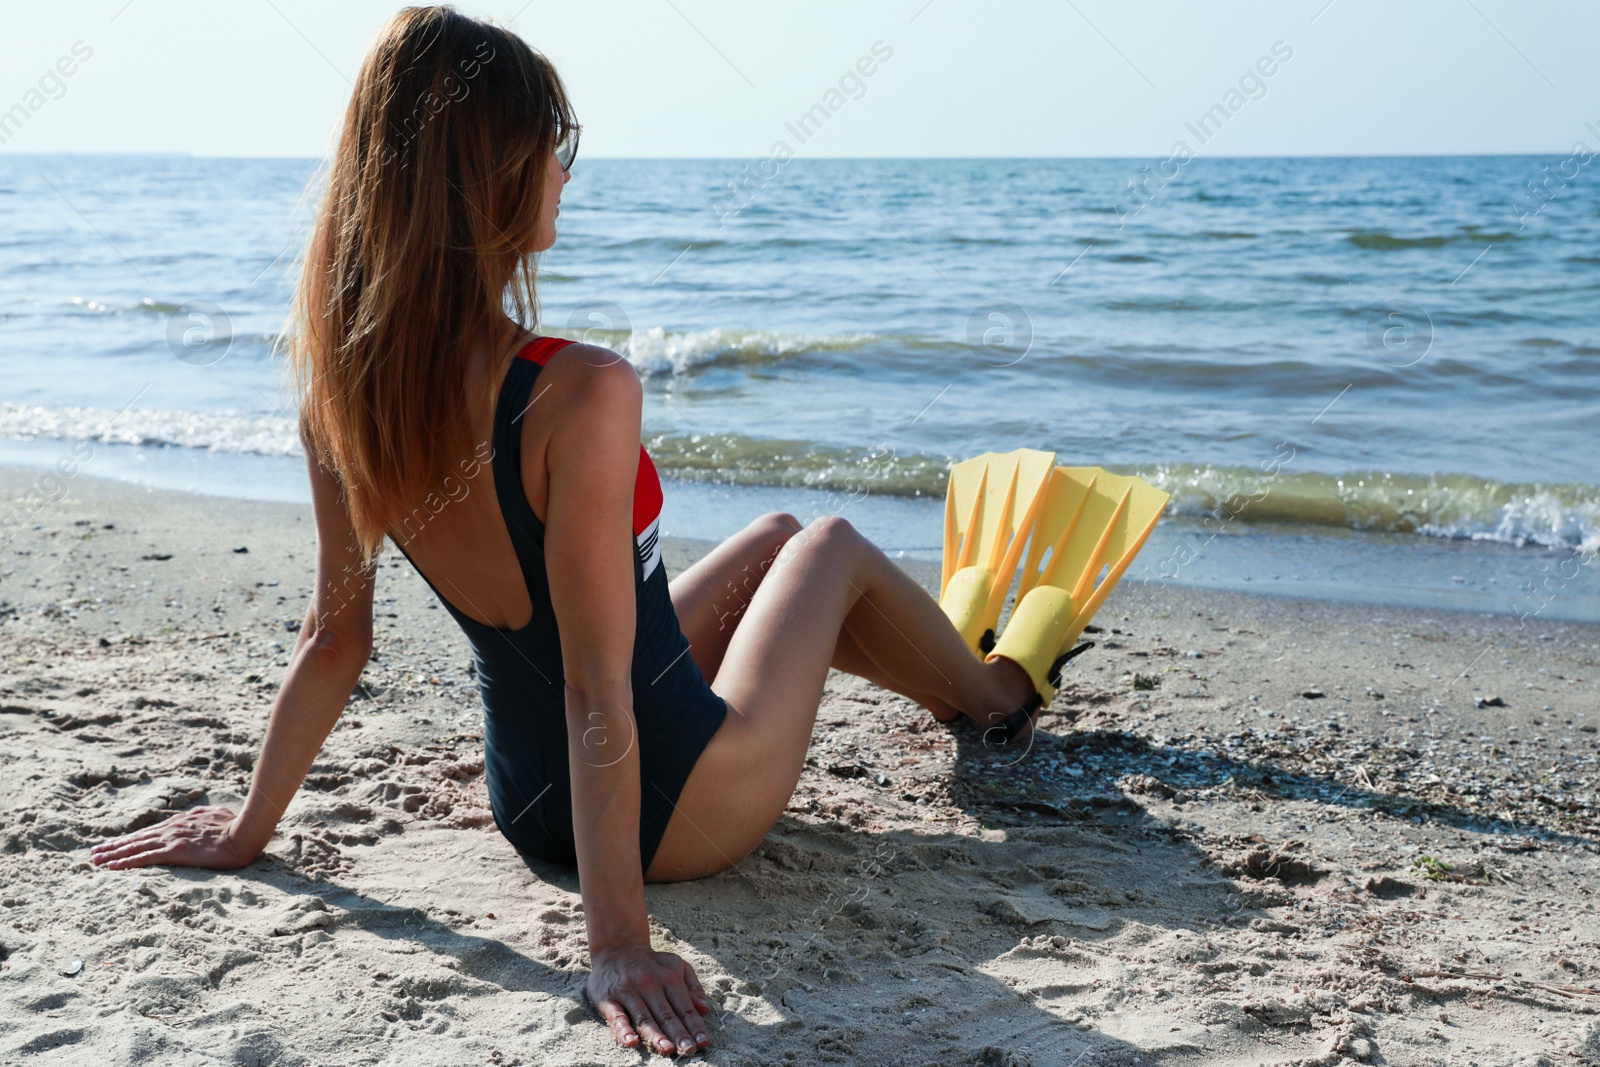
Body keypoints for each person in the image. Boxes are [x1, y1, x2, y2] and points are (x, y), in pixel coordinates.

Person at [88, 6, 1041, 1057]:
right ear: (489, 172)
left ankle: (962, 679)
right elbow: (596, 680)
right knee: (834, 544)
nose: (564, 174)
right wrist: (617, 942)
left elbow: (334, 637)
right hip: (677, 811)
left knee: (775, 532)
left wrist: (246, 827)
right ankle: (1000, 694)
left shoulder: (345, 399)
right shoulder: (580, 392)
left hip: (530, 802)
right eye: (555, 147)